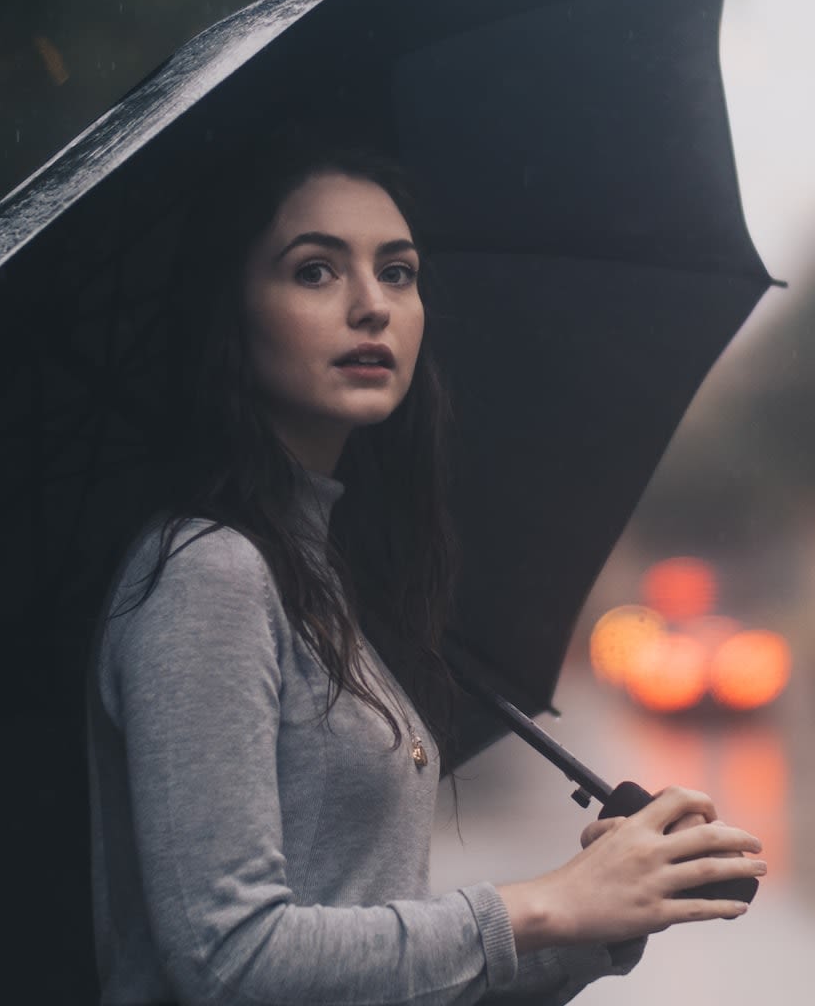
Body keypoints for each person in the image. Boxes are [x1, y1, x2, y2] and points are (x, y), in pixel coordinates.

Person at [83, 135, 766, 1006]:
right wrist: (544, 907)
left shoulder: (323, 571)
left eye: (398, 272)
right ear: (230, 310)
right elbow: (232, 961)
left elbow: (386, 974)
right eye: (315, 272)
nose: (372, 306)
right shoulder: (208, 575)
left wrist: (606, 915)